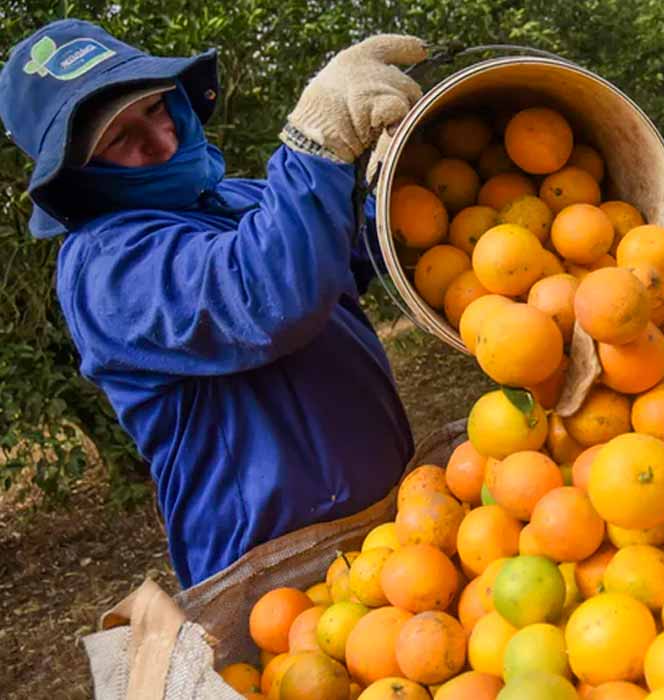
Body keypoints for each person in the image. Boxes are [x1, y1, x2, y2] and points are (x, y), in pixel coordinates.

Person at [0, 20, 425, 588]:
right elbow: (264, 295)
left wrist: (418, 166)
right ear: (80, 173)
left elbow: (374, 245)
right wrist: (316, 143)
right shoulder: (107, 268)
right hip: (276, 581)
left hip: (397, 529)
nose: (162, 140)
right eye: (120, 139)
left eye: (154, 108)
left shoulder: (243, 200)